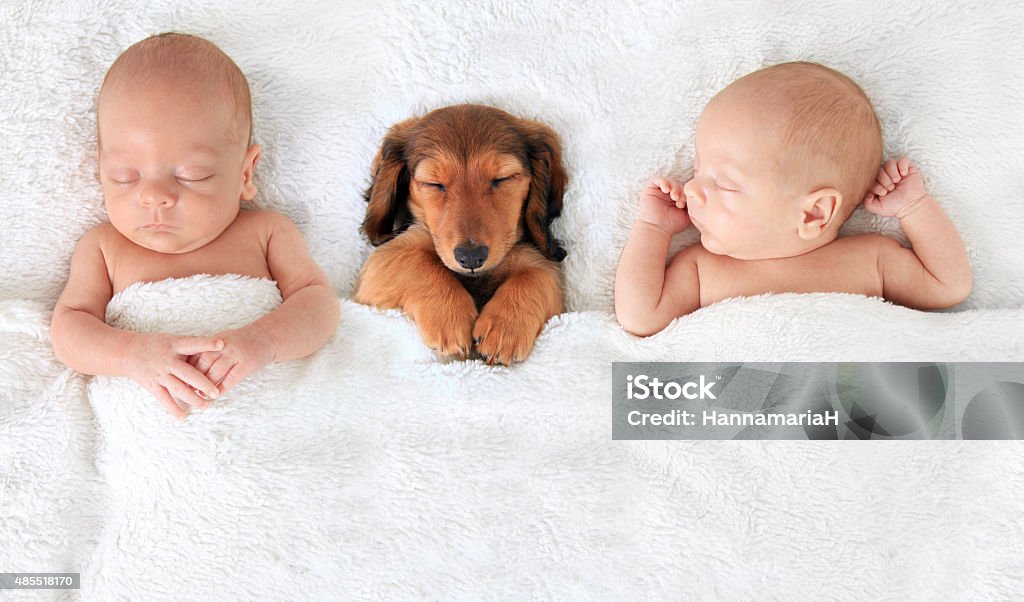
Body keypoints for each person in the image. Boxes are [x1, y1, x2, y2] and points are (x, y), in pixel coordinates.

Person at [51, 33, 339, 419]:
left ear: (245, 172)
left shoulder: (268, 233)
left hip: (274, 421)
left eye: (192, 175)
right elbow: (69, 332)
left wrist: (264, 341)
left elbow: (319, 305)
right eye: (125, 176)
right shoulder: (103, 248)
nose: (155, 196)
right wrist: (132, 354)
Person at [614, 61, 971, 336]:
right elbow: (639, 317)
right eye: (697, 170)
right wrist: (654, 229)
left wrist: (914, 207)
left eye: (724, 184)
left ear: (814, 213)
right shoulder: (701, 269)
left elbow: (948, 286)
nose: (691, 189)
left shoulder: (870, 258)